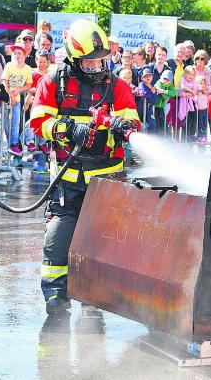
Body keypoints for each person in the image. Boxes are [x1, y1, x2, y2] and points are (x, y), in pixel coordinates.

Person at [29, 20, 139, 314]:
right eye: (89, 63)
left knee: (101, 239)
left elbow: (133, 121)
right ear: (74, 59)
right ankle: (55, 295)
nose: (96, 68)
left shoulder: (117, 86)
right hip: (69, 174)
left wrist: (122, 126)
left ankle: (94, 299)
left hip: (107, 178)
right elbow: (38, 122)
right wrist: (66, 128)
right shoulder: (54, 81)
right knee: (59, 233)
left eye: (100, 61)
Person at [2, 44, 33, 156]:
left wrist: (19, 90)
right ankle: (11, 143)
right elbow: (5, 82)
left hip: (17, 98)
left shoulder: (28, 69)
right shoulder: (9, 66)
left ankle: (14, 143)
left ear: (25, 55)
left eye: (19, 53)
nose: (17, 55)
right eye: (14, 53)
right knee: (6, 122)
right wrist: (10, 95)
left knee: (16, 122)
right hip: (6, 98)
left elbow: (29, 85)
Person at [154, 69, 176, 134]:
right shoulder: (159, 83)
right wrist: (168, 95)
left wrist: (164, 91)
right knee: (156, 122)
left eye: (168, 79)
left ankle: (164, 137)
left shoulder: (170, 85)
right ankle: (157, 137)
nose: (166, 81)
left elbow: (174, 93)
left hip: (161, 107)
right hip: (155, 106)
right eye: (164, 78)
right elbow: (166, 96)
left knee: (163, 122)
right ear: (161, 77)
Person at [195, 75, 211, 143]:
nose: (203, 85)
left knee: (205, 124)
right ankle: (199, 136)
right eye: (201, 83)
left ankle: (204, 136)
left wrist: (205, 90)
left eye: (204, 83)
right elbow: (196, 89)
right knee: (200, 123)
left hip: (205, 109)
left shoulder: (206, 91)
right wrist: (200, 90)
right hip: (199, 110)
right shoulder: (197, 92)